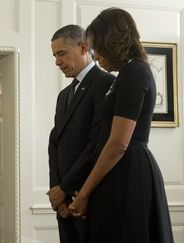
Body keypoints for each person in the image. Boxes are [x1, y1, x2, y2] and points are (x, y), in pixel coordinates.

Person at [69, 8, 174, 243]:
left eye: (96, 47)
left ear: (112, 40)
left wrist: (84, 193)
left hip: (128, 173)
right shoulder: (129, 72)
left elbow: (117, 144)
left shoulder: (133, 72)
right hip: (120, 171)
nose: (95, 56)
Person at [47, 25, 115, 243]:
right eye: (55, 55)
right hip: (64, 203)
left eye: (62, 54)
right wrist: (57, 196)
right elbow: (55, 144)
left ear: (84, 47)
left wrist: (65, 188)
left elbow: (97, 144)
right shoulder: (62, 95)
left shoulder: (106, 83)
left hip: (90, 199)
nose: (57, 62)